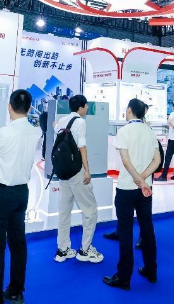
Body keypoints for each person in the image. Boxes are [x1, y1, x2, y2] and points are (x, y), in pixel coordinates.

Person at [0, 90, 42, 304]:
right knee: (18, 244)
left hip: (1, 194)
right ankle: (16, 290)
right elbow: (15, 156)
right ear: (29, 108)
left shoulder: (5, 132)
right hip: (21, 193)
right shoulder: (35, 132)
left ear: (9, 106)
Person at [103, 98, 161, 290]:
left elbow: (126, 162)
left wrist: (137, 179)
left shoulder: (124, 131)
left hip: (127, 188)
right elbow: (157, 160)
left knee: (126, 232)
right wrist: (143, 179)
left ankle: (124, 277)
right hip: (145, 189)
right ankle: (151, 271)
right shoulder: (149, 131)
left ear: (129, 110)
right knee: (147, 229)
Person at [54, 94, 103, 264]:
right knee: (90, 210)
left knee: (64, 211)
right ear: (81, 107)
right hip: (76, 171)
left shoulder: (62, 121)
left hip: (63, 171)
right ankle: (85, 250)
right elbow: (82, 147)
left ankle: (63, 249)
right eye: (86, 106)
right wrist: (87, 170)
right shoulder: (80, 122)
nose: (87, 108)